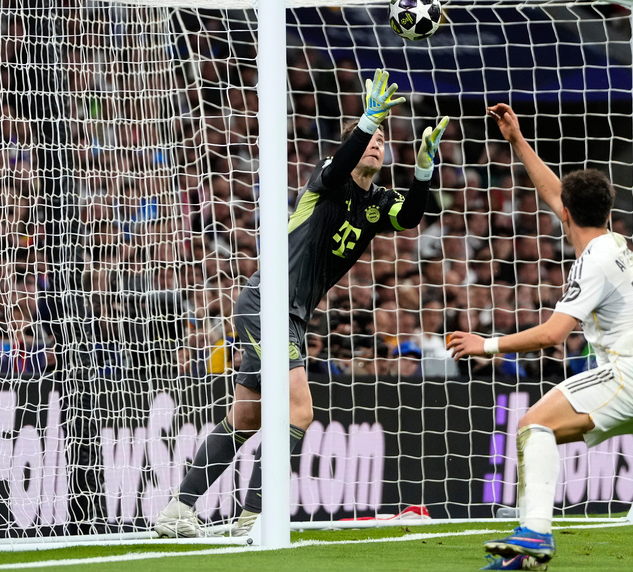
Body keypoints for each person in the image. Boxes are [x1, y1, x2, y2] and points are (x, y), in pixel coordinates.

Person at [154, 69, 448, 538]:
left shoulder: (377, 202)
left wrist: (423, 172)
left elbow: (411, 216)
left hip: (288, 312)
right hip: (266, 302)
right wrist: (366, 123)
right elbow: (343, 159)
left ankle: (178, 509)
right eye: (369, 141)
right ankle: (254, 515)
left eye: (381, 143)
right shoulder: (325, 182)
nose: (376, 146)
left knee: (247, 418)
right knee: (300, 409)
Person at [449, 103, 633, 568]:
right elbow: (555, 194)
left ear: (566, 214)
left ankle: (534, 533)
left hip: (632, 372)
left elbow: (554, 334)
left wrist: (485, 345)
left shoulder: (592, 261)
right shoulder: (614, 241)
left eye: (560, 208)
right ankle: (528, 546)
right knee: (536, 431)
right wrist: (517, 141)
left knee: (531, 424)